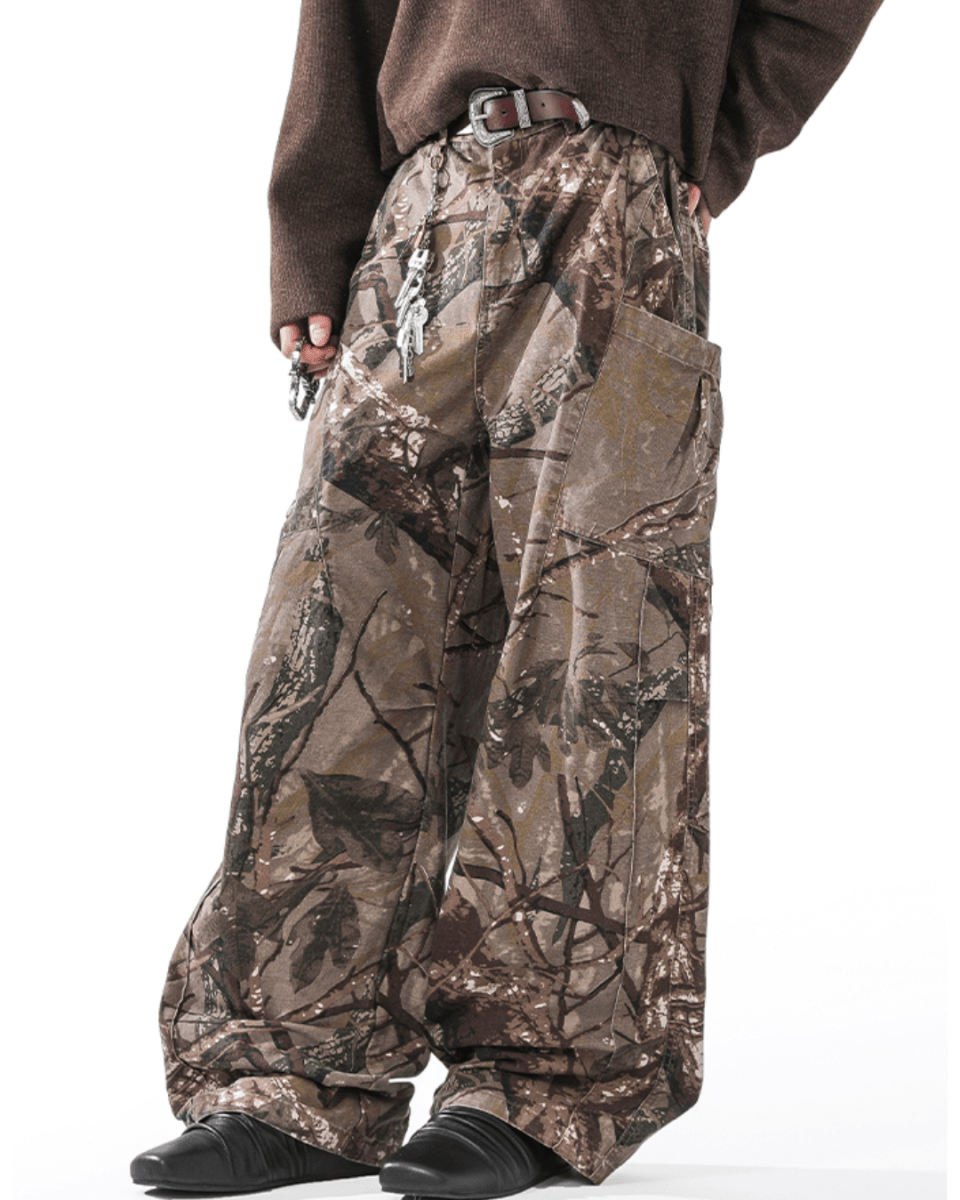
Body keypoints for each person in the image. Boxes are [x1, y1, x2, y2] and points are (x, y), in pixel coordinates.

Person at [131, 2, 883, 1195]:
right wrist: (313, 233)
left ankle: (545, 1082)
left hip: (618, 210)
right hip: (421, 215)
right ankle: (297, 1076)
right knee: (336, 639)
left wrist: (720, 135)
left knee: (596, 651)